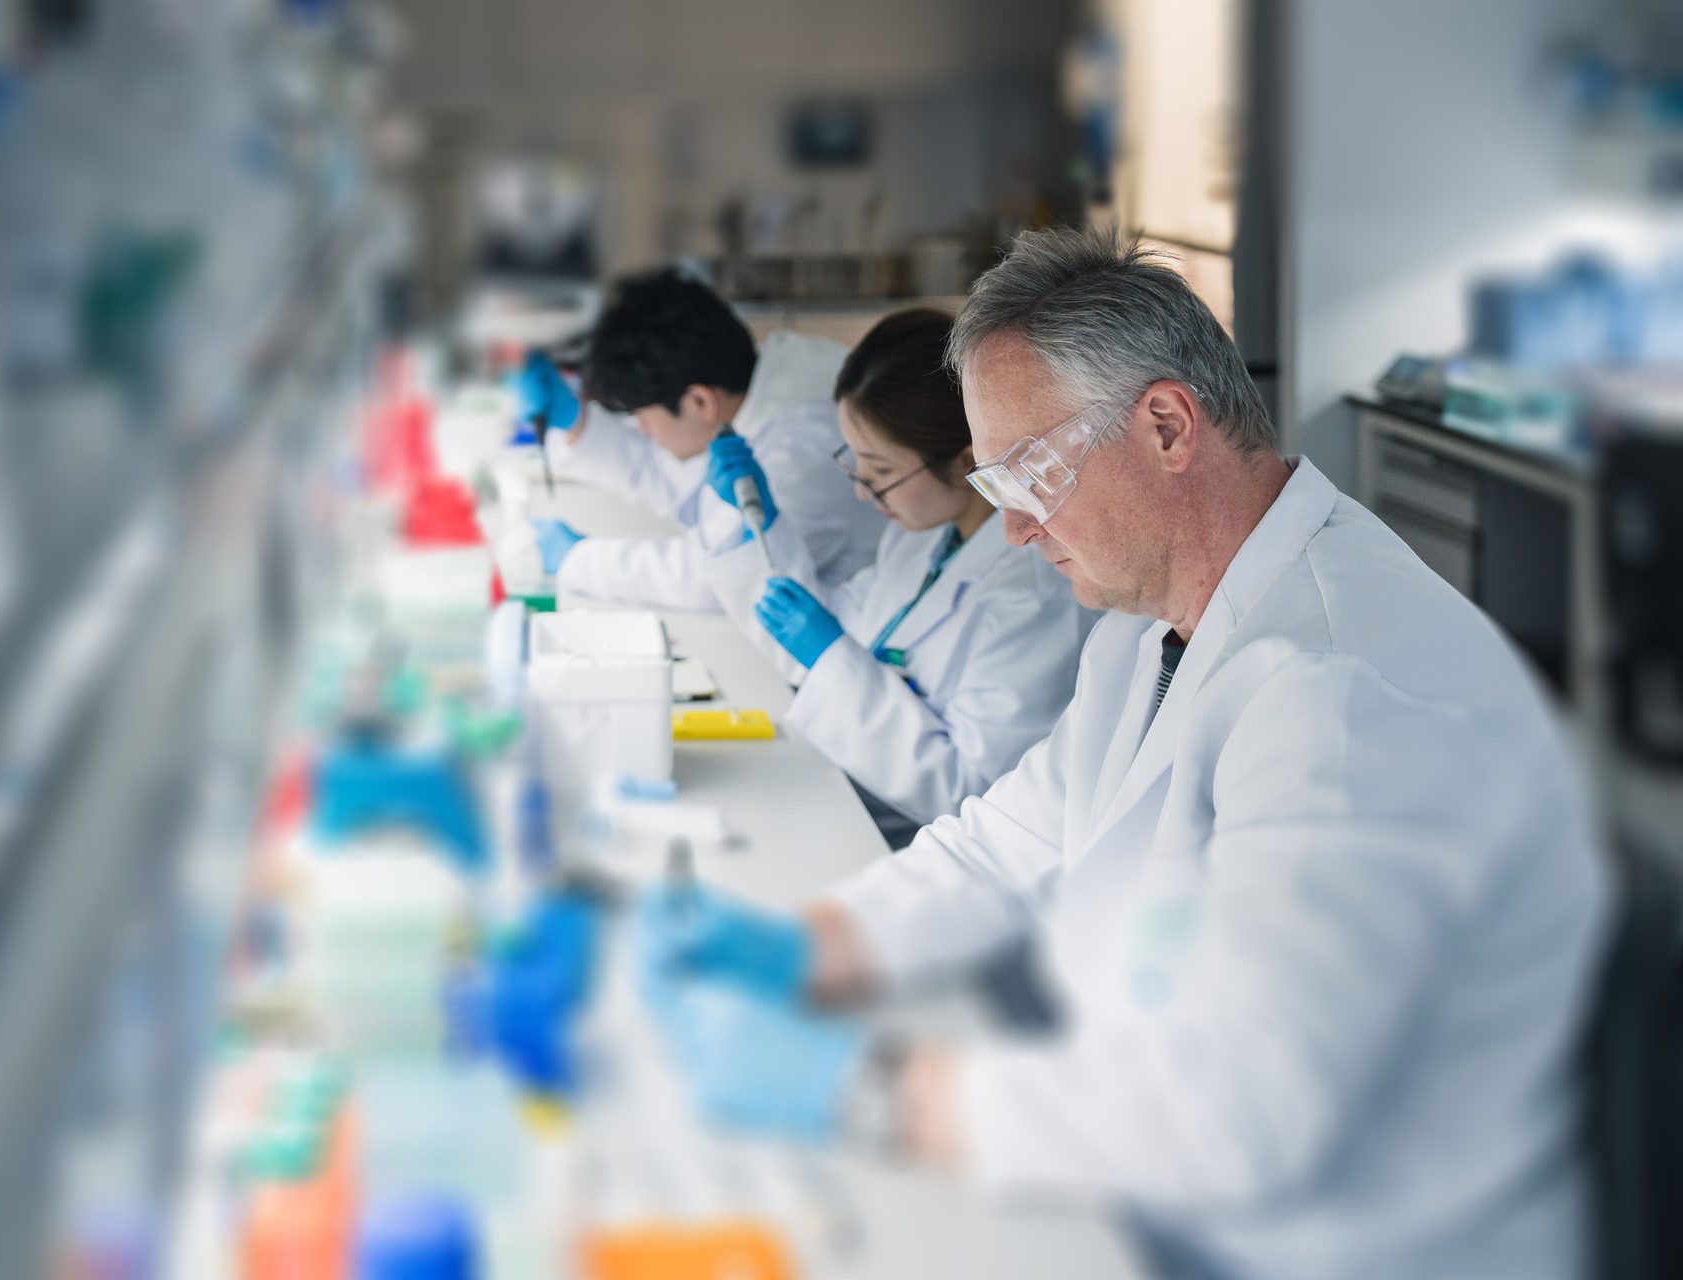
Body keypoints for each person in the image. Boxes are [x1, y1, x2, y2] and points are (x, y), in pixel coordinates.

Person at [637, 228, 1615, 1280]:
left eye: (1028, 478)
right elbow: (998, 845)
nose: (1011, 531)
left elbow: (1239, 1112)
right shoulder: (1149, 635)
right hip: (1150, 1172)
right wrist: (800, 944)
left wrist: (863, 1090)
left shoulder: (1339, 694)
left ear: (1163, 425)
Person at [702, 308, 1097, 842]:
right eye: (855, 463)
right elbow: (836, 626)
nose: (864, 491)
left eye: (881, 471)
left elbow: (969, 788)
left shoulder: (1034, 594)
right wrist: (763, 526)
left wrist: (829, 656)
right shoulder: (923, 537)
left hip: (917, 847)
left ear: (964, 461)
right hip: (846, 800)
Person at [518, 268, 885, 608]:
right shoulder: (745, 388)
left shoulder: (802, 454)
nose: (643, 430)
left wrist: (578, 559)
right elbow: (667, 473)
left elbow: (713, 576)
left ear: (699, 401)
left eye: (643, 417)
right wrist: (575, 423)